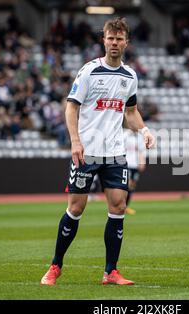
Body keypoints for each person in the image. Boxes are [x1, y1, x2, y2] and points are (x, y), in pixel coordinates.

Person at [40, 18, 155, 286]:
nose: (114, 43)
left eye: (119, 39)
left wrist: (145, 130)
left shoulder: (130, 76)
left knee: (118, 206)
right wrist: (75, 141)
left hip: (115, 153)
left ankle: (110, 272)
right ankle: (55, 266)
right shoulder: (89, 71)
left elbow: (131, 112)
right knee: (76, 208)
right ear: (103, 40)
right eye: (110, 38)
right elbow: (71, 107)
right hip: (87, 152)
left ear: (127, 42)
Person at [123, 128, 146, 215]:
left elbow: (141, 151)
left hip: (135, 164)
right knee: (127, 185)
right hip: (126, 164)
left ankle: (126, 207)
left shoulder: (139, 136)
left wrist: (142, 162)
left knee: (132, 186)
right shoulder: (125, 135)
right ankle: (122, 205)